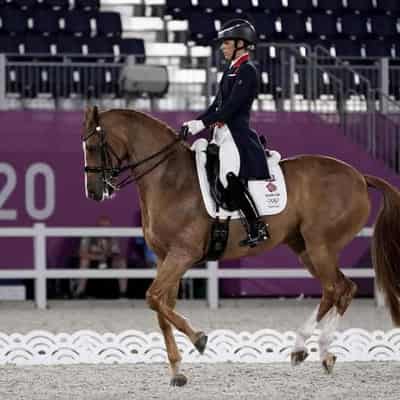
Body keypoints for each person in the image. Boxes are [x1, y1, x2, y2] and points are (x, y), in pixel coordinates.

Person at [182, 19, 270, 247]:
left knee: (227, 175)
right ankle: (220, 222)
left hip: (236, 135)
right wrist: (196, 122)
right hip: (220, 134)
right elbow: (216, 106)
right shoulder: (231, 70)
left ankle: (256, 225)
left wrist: (201, 125)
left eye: (227, 43)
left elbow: (230, 108)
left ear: (241, 44)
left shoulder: (248, 71)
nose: (223, 47)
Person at [73, 215, 128, 299]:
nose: (105, 229)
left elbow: (117, 254)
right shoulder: (88, 236)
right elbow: (81, 253)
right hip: (92, 261)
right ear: (97, 227)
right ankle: (80, 292)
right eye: (102, 226)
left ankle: (123, 293)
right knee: (84, 261)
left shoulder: (113, 237)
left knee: (121, 262)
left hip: (107, 261)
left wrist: (108, 252)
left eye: (107, 227)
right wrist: (97, 257)